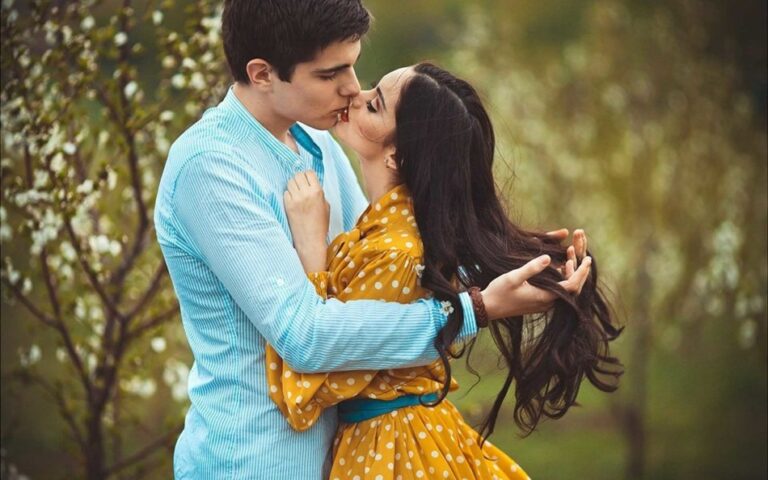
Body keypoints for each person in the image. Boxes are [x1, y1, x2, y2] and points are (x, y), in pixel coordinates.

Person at [154, 1, 592, 478]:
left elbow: (388, 269)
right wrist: (472, 311)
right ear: (262, 74)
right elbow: (305, 336)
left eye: (353, 64)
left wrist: (516, 262)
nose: (352, 87)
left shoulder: (317, 142)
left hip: (350, 455)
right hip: (256, 461)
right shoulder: (212, 167)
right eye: (330, 74)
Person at [266, 64, 622, 479]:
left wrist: (311, 249)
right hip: (406, 437)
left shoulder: (394, 252)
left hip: (392, 451)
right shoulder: (402, 232)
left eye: (375, 105)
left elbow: (312, 379)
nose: (354, 95)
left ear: (398, 155)